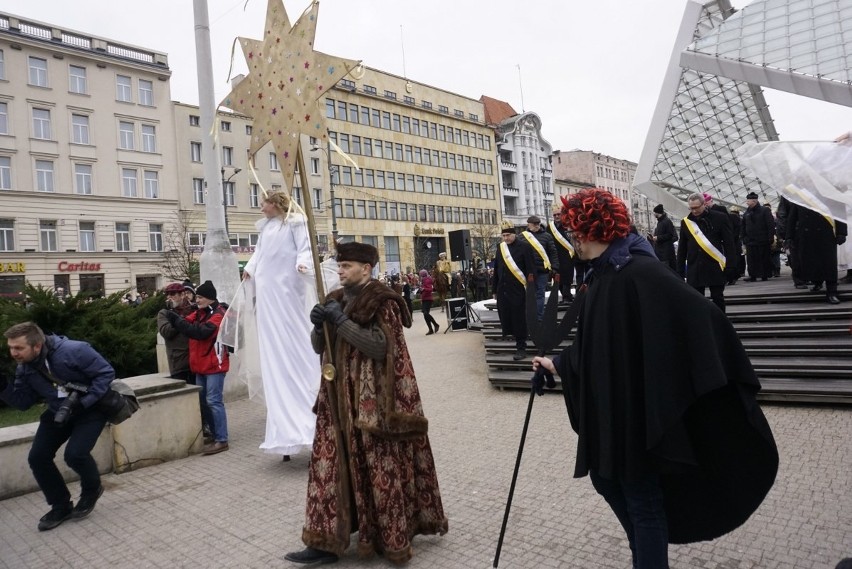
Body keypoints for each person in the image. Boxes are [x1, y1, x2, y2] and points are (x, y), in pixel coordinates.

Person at [532, 188, 778, 569]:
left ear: (588, 230)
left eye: (573, 231)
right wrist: (559, 364)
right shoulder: (603, 275)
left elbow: (703, 317)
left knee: (642, 500)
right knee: (607, 482)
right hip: (615, 409)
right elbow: (598, 343)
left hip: (639, 411)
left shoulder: (639, 270)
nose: (571, 239)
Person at [285, 241, 448, 565]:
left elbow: (380, 347)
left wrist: (341, 322)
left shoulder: (381, 301)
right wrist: (319, 325)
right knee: (329, 468)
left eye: (346, 266)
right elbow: (321, 347)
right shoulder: (335, 298)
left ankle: (388, 535)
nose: (340, 270)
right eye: (339, 265)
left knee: (376, 467)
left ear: (365, 268)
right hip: (336, 400)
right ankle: (324, 542)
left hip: (371, 402)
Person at [0, 322, 114, 531]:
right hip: (58, 413)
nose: (13, 353)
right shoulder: (25, 368)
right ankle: (60, 505)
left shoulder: (75, 350)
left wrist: (85, 401)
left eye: (18, 348)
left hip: (90, 410)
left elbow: (106, 373)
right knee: (37, 457)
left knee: (75, 455)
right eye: (11, 347)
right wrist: (3, 387)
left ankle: (91, 489)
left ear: (36, 346)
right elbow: (23, 403)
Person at [241, 190, 321, 459]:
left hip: (287, 288)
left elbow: (306, 249)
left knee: (294, 342)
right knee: (274, 352)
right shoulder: (266, 229)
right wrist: (250, 269)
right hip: (267, 292)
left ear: (276, 204)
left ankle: (308, 428)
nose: (260, 207)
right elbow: (258, 254)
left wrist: (302, 263)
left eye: (263, 202)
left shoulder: (296, 223)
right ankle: (284, 433)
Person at [164, 280, 230, 455]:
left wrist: (174, 318)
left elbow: (200, 333)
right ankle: (216, 434)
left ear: (209, 298)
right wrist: (173, 315)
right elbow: (184, 323)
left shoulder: (219, 313)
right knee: (204, 401)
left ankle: (222, 439)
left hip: (215, 365)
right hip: (200, 365)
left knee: (214, 401)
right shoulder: (199, 312)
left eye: (199, 297)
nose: (196, 300)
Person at [157, 282, 213, 440]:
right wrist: (181, 321)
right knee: (184, 401)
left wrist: (183, 321)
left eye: (174, 294)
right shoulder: (165, 313)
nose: (170, 297)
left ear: (183, 295)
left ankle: (207, 427)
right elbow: (166, 332)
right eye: (168, 294)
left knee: (203, 399)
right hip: (179, 362)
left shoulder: (196, 309)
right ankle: (190, 432)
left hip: (198, 360)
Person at [677, 193, 736, 313]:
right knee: (697, 300)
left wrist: (731, 266)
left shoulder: (720, 218)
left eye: (696, 207)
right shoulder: (686, 222)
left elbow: (729, 244)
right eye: (691, 208)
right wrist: (680, 271)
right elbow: (682, 249)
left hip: (714, 264)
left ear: (704, 204)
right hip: (695, 266)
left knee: (717, 297)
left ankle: (720, 324)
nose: (694, 211)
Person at [786, 201, 847, 304]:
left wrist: (841, 232)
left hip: (825, 233)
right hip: (806, 235)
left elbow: (839, 212)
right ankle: (817, 282)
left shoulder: (828, 192)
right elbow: (792, 217)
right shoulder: (800, 194)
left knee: (829, 263)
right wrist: (789, 236)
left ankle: (832, 292)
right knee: (812, 261)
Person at [492, 224, 536, 360]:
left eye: (508, 235)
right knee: (506, 315)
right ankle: (513, 337)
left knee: (519, 318)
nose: (506, 238)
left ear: (514, 234)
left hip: (518, 289)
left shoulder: (525, 247)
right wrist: (494, 289)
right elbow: (496, 270)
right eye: (503, 236)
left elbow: (531, 269)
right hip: (503, 289)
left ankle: (521, 347)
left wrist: (531, 288)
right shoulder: (501, 248)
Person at [519, 215, 559, 320]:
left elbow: (553, 252)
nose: (533, 226)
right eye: (531, 224)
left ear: (538, 225)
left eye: (535, 224)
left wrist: (554, 267)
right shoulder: (523, 237)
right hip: (528, 271)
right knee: (529, 294)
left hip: (542, 270)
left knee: (540, 293)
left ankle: (539, 317)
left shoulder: (547, 236)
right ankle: (530, 316)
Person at [741, 192, 776, 281]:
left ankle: (765, 274)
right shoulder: (747, 212)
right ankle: (752, 275)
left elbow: (770, 224)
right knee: (751, 259)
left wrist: (770, 237)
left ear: (754, 201)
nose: (746, 202)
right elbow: (743, 226)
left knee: (763, 258)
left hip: (762, 239)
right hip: (750, 240)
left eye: (748, 200)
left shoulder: (764, 210)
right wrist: (744, 237)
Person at [548, 211, 577, 302]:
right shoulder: (550, 227)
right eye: (554, 215)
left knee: (567, 276)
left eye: (558, 214)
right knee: (557, 276)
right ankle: (565, 295)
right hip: (555, 255)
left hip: (567, 254)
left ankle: (566, 296)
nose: (556, 216)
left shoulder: (567, 225)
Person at [650, 204, 677, 271]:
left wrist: (658, 238)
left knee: (666, 271)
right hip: (661, 253)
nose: (654, 214)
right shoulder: (661, 222)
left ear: (657, 213)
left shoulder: (666, 221)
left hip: (665, 254)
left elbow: (670, 235)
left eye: (654, 212)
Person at [418, 268, 440, 335]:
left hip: (428, 299)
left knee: (425, 314)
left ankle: (435, 324)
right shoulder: (424, 280)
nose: (420, 276)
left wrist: (423, 289)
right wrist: (421, 290)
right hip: (425, 298)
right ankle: (430, 329)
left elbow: (430, 289)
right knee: (425, 315)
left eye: (420, 275)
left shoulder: (427, 280)